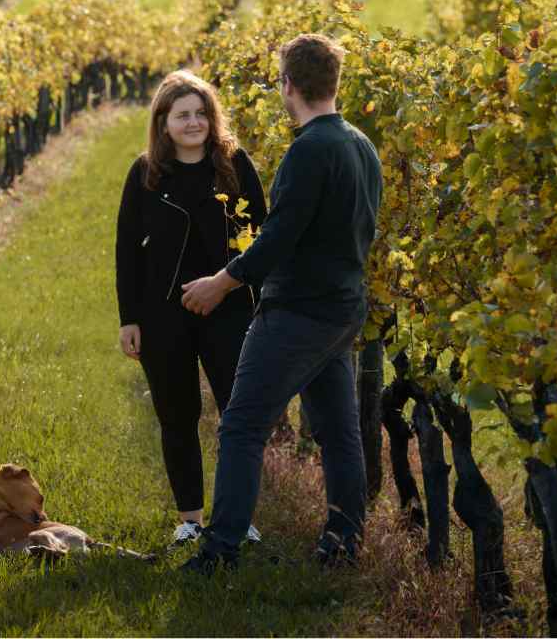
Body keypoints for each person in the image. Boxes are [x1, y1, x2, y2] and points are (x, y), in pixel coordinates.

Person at [179, 34, 383, 574]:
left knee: (242, 426)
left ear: (288, 85)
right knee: (339, 434)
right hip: (343, 311)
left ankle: (218, 552)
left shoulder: (308, 150)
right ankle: (342, 543)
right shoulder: (362, 146)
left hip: (298, 313)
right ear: (335, 84)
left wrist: (222, 281)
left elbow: (279, 235)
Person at [115, 70, 267, 548]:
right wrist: (129, 318)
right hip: (163, 314)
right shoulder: (145, 174)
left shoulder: (235, 165)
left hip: (229, 307)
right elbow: (126, 252)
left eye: (201, 113)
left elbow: (261, 234)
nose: (193, 122)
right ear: (163, 122)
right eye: (182, 115)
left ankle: (238, 517)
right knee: (176, 414)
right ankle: (190, 519)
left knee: (236, 413)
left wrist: (247, 294)